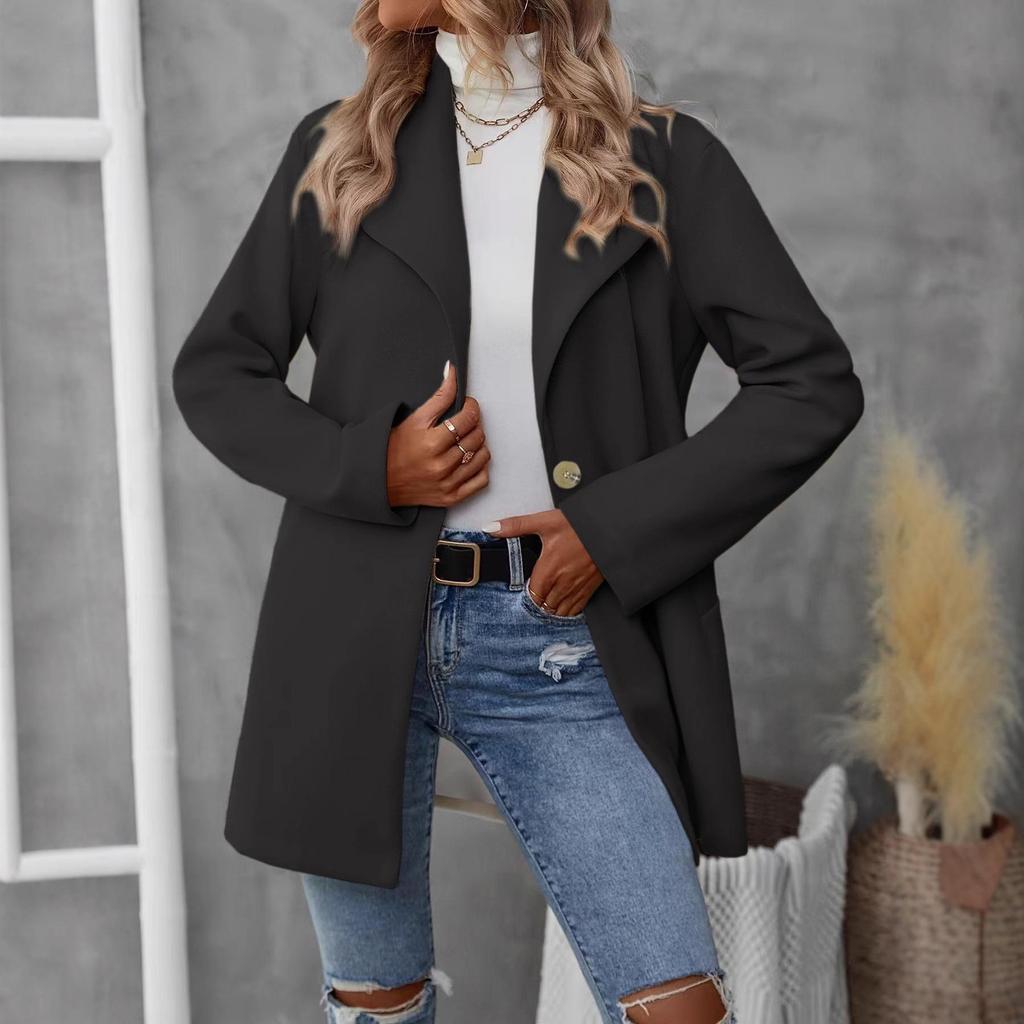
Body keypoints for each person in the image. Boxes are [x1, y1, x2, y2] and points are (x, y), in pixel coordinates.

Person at [172, 1, 864, 1021]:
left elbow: (811, 384)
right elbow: (216, 372)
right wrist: (372, 466)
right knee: (378, 1002)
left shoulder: (665, 161)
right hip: (357, 629)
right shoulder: (341, 149)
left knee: (678, 1003)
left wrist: (612, 532)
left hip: (560, 638)